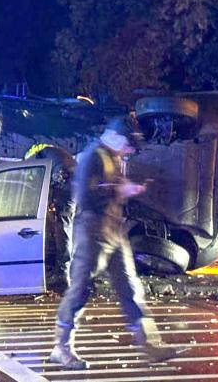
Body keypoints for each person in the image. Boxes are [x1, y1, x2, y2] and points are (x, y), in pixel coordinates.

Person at [50, 117, 176, 370]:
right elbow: (85, 196)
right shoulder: (92, 156)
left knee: (129, 286)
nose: (129, 151)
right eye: (128, 145)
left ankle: (150, 343)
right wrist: (119, 191)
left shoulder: (111, 157)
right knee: (81, 288)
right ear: (117, 137)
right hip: (93, 228)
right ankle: (61, 347)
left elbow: (109, 187)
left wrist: (127, 189)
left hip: (113, 228)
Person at [24, 143, 76, 293]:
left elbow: (35, 180)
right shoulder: (54, 152)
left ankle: (62, 276)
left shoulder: (36, 156)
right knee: (67, 228)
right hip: (74, 184)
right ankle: (64, 271)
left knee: (63, 228)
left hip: (65, 184)